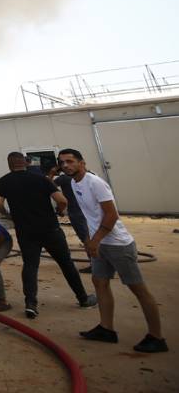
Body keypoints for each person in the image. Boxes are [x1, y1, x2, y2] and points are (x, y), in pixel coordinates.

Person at [59, 148, 168, 353]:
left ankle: (157, 337)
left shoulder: (95, 183)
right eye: (62, 162)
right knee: (99, 282)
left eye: (70, 161)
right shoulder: (74, 183)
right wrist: (89, 239)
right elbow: (90, 214)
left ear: (82, 162)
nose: (66, 165)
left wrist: (96, 240)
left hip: (118, 244)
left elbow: (111, 215)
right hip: (100, 244)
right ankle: (106, 329)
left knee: (138, 288)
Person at [0, 151, 96, 319]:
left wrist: (6, 214)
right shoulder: (41, 178)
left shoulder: (4, 181)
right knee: (66, 263)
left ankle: (31, 304)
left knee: (30, 266)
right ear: (25, 163)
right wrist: (58, 211)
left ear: (9, 164)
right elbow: (62, 200)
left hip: (25, 232)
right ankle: (83, 298)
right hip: (50, 229)